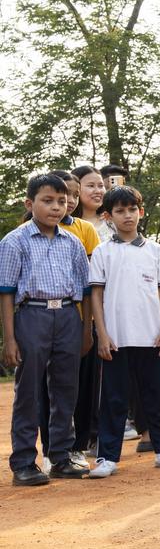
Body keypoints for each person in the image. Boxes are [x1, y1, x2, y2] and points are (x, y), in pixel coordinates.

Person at [89, 186, 160, 477]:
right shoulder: (103, 252)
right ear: (108, 217)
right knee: (113, 399)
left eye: (132, 209)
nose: (127, 215)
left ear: (140, 212)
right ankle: (107, 457)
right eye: (120, 211)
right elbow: (96, 295)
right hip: (116, 339)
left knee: (155, 395)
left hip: (151, 337)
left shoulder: (155, 250)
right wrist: (102, 334)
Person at [1, 174, 91, 485]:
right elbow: (6, 292)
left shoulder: (73, 242)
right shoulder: (14, 241)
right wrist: (10, 339)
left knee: (66, 388)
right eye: (47, 200)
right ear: (30, 203)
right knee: (28, 391)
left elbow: (86, 290)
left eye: (61, 201)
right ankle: (24, 462)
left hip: (68, 315)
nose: (56, 207)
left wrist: (86, 331)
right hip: (32, 315)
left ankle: (61, 456)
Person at [36, 170, 100, 473]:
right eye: (64, 196)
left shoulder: (84, 230)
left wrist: (90, 324)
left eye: (73, 195)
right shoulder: (30, 230)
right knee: (46, 389)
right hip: (43, 320)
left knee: (81, 387)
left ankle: (77, 447)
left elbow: (90, 280)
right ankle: (50, 448)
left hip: (79, 320)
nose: (70, 201)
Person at [72, 165, 114, 243]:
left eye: (101, 186)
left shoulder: (111, 220)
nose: (98, 191)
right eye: (91, 186)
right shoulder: (66, 225)